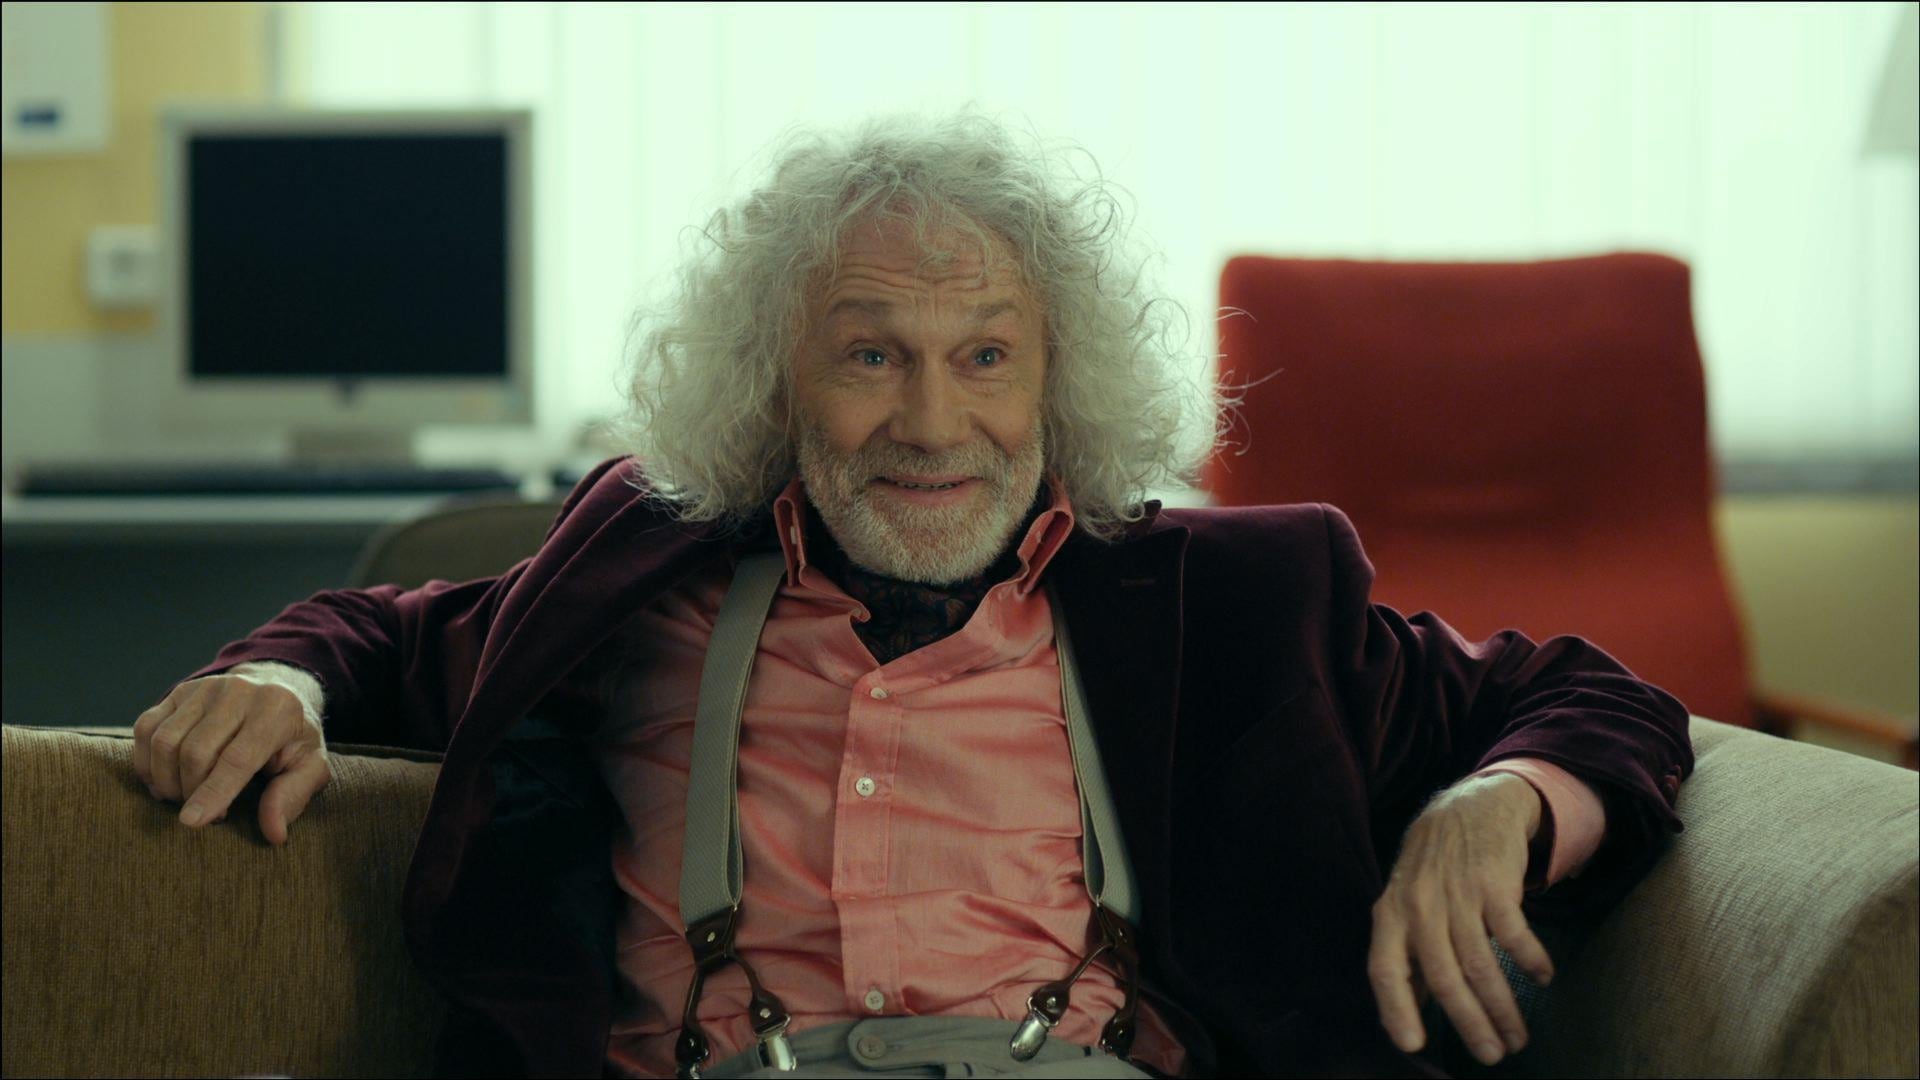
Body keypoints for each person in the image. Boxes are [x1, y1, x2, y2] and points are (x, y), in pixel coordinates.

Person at [131, 112, 1693, 1079]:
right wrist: (280, 681)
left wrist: (1493, 799)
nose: (935, 423)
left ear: (1055, 377)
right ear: (778, 379)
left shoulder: (1232, 600)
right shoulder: (642, 577)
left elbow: (1596, 700)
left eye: (985, 356)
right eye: (871, 354)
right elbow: (387, 631)